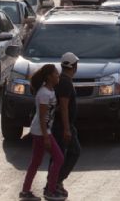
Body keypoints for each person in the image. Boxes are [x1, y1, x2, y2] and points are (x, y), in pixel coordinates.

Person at [20, 64, 65, 201]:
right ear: (49, 77)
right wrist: (46, 136)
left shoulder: (49, 91)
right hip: (41, 132)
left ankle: (25, 191)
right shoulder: (44, 93)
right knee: (59, 158)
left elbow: (49, 111)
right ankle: (50, 191)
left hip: (41, 131)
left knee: (36, 161)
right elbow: (42, 117)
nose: (58, 76)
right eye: (56, 74)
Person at [50, 53, 81, 198]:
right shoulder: (65, 82)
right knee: (73, 152)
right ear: (73, 66)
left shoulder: (63, 80)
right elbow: (63, 106)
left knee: (59, 156)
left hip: (63, 125)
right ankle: (55, 182)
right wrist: (67, 128)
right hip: (62, 126)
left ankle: (54, 183)